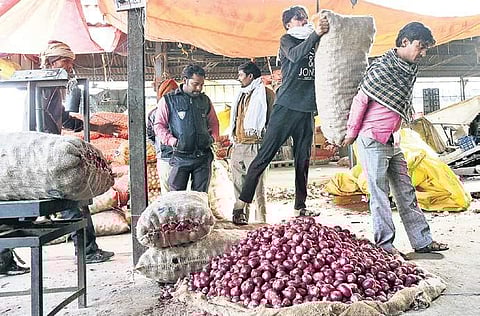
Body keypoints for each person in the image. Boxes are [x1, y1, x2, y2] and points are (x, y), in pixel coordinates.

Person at [341, 22, 449, 255]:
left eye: (425, 49)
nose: (423, 53)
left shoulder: (408, 70)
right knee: (379, 195)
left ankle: (422, 241)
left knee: (406, 191)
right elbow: (361, 99)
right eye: (420, 47)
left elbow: (401, 103)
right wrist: (351, 133)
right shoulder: (382, 68)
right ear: (404, 42)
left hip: (393, 140)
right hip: (372, 139)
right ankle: (385, 245)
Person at [236, 6, 329, 217]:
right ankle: (241, 204)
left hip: (306, 109)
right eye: (299, 19)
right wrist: (316, 34)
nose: (304, 21)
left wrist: (323, 31)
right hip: (286, 106)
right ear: (288, 24)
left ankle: (300, 206)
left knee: (303, 159)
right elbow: (296, 56)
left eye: (306, 18)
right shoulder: (287, 40)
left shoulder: (317, 41)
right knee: (265, 156)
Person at [39, 41, 115, 264]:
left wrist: (100, 128)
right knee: (74, 201)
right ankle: (88, 251)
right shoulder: (42, 88)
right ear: (52, 63)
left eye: (71, 64)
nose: (70, 68)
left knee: (76, 201)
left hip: (50, 149)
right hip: (40, 154)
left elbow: (66, 120)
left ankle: (89, 250)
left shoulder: (53, 90)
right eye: (66, 63)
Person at [154, 64, 219, 192]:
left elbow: (214, 123)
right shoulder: (169, 100)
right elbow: (159, 125)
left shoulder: (205, 100)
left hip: (203, 157)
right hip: (180, 157)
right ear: (185, 80)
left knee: (200, 197)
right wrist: (172, 141)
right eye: (195, 84)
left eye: (201, 84)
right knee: (176, 197)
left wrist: (213, 138)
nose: (199, 88)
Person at [229, 62, 275, 225]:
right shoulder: (241, 94)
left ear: (250, 76)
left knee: (257, 185)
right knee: (238, 184)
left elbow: (272, 121)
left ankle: (261, 220)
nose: (238, 78)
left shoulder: (267, 94)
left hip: (256, 144)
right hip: (238, 144)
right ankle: (242, 216)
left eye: (241, 75)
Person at [146, 79, 179, 194]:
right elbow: (149, 135)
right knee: (168, 193)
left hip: (182, 159)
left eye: (175, 92)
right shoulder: (153, 114)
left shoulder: (184, 111)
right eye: (169, 92)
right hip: (165, 159)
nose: (172, 95)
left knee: (180, 194)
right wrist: (159, 146)